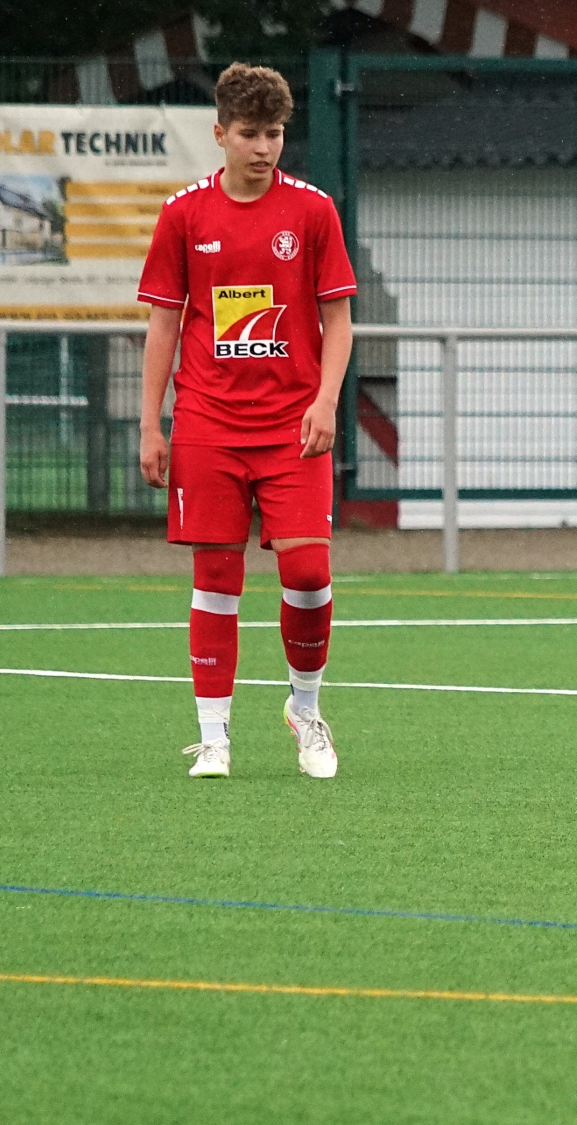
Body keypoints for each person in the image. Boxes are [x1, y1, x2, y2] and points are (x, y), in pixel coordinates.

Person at [137, 63, 356, 780]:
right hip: (208, 422)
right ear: (220, 134)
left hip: (293, 425)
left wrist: (326, 401)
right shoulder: (184, 215)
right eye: (251, 134)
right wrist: (150, 424)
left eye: (276, 133)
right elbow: (163, 326)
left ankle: (305, 709)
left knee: (309, 572)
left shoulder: (313, 211)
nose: (264, 147)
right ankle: (214, 737)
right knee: (216, 576)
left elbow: (338, 320)